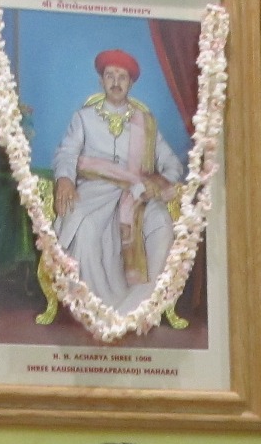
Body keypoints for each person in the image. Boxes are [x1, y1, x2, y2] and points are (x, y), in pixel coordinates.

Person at [52, 50, 183, 316]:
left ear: (130, 83)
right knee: (84, 226)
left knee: (162, 226)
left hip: (136, 195)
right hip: (93, 191)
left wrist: (152, 185)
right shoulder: (83, 118)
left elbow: (173, 165)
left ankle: (137, 306)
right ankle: (95, 310)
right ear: (101, 81)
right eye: (110, 75)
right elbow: (66, 153)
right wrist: (65, 179)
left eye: (122, 77)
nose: (115, 82)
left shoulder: (146, 124)